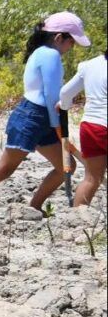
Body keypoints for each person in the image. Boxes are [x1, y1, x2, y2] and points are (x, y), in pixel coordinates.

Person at [0, 13, 90, 217]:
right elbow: (51, 95)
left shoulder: (41, 52)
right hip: (33, 116)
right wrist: (58, 127)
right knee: (6, 168)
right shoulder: (50, 55)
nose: (71, 47)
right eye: (71, 42)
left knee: (67, 166)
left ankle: (34, 207)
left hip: (42, 117)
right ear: (58, 38)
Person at [59, 49, 107, 207]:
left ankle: (76, 219)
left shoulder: (89, 65)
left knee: (92, 178)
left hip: (90, 125)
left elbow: (66, 93)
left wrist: (63, 105)